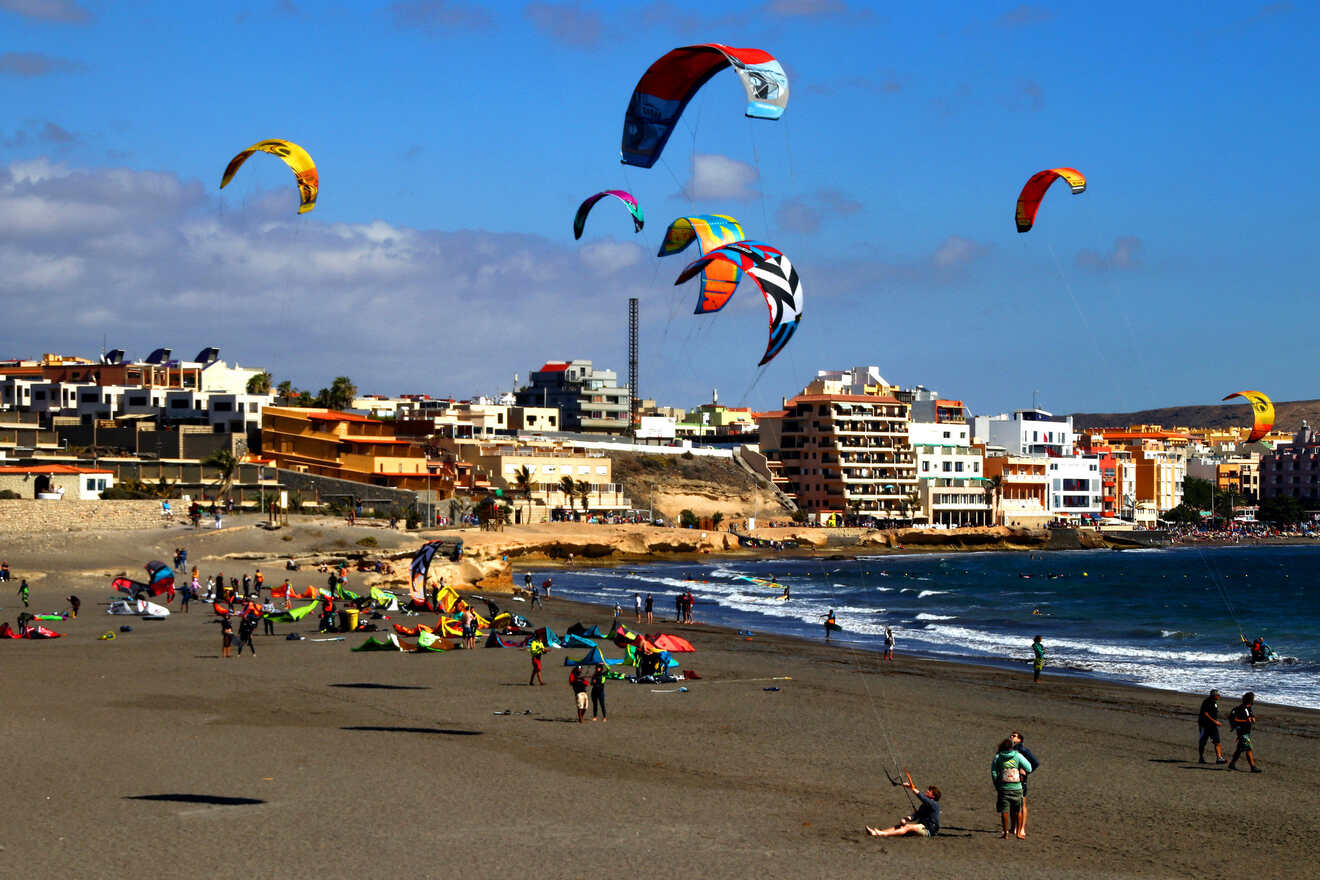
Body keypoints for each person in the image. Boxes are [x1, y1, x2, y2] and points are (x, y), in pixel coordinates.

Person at [866, 778, 941, 838]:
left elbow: (921, 796)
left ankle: (883, 834)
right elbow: (916, 815)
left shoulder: (934, 804)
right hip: (920, 826)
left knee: (907, 826)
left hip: (928, 830)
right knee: (900, 826)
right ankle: (876, 833)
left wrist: (912, 787)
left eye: (929, 791)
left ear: (933, 796)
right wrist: (906, 818)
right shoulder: (924, 805)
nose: (927, 791)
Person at [991, 737, 1033, 839]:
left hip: (1004, 787)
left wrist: (997, 784)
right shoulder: (1017, 756)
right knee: (1017, 810)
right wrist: (1021, 770)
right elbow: (1029, 768)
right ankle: (1018, 833)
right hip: (1017, 787)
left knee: (1004, 811)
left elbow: (994, 772)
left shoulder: (998, 757)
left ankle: (1006, 833)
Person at [1009, 731, 1039, 838]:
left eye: (1014, 736)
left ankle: (1021, 829)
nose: (1011, 737)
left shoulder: (1023, 750)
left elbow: (1035, 762)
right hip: (1012, 779)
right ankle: (1013, 828)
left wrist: (1026, 771)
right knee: (1012, 804)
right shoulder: (1011, 750)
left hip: (1021, 780)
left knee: (1022, 804)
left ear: (1020, 739)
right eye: (1011, 735)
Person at [1228, 692, 1260, 772]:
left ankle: (1232, 764)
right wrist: (1245, 720)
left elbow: (1252, 718)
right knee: (1248, 749)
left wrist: (1252, 719)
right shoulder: (1241, 708)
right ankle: (1253, 767)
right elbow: (1235, 719)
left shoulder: (1249, 708)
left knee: (1240, 749)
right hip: (1242, 732)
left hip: (1247, 731)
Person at [1198, 689, 1227, 764]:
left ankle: (1219, 758)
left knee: (1217, 741)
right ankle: (1201, 757)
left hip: (1213, 725)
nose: (1219, 696)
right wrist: (1215, 721)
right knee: (1203, 742)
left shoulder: (1215, 702)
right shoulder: (1207, 702)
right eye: (1218, 695)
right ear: (1214, 695)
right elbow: (1205, 714)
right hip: (1205, 725)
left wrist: (1215, 722)